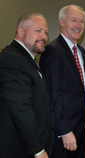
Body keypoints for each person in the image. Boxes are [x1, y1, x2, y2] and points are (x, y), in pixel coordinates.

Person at [0, 13, 55, 158]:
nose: (44, 36)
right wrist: (37, 150)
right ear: (20, 31)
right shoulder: (13, 59)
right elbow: (21, 110)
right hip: (20, 149)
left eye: (46, 32)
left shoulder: (27, 59)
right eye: (38, 31)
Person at [40, 5, 85, 158]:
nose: (78, 25)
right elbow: (53, 95)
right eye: (73, 20)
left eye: (81, 21)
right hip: (62, 132)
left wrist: (82, 124)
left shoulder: (81, 52)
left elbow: (79, 93)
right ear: (62, 22)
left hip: (79, 127)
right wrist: (65, 131)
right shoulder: (52, 50)